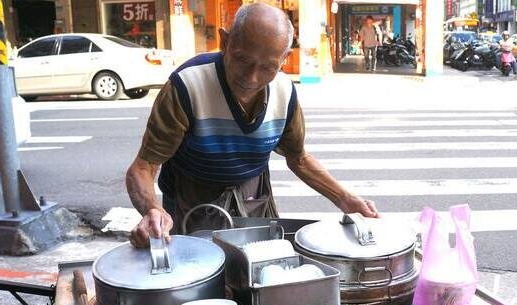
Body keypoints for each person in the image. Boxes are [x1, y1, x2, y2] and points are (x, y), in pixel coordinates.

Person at [126, 3, 379, 248]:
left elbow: (298, 158)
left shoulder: (284, 91)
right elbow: (144, 166)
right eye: (242, 60)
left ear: (284, 59)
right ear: (225, 42)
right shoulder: (186, 86)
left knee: (261, 272)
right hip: (192, 198)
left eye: (268, 67)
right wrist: (152, 210)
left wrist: (345, 199)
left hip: (253, 197)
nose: (252, 78)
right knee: (197, 275)